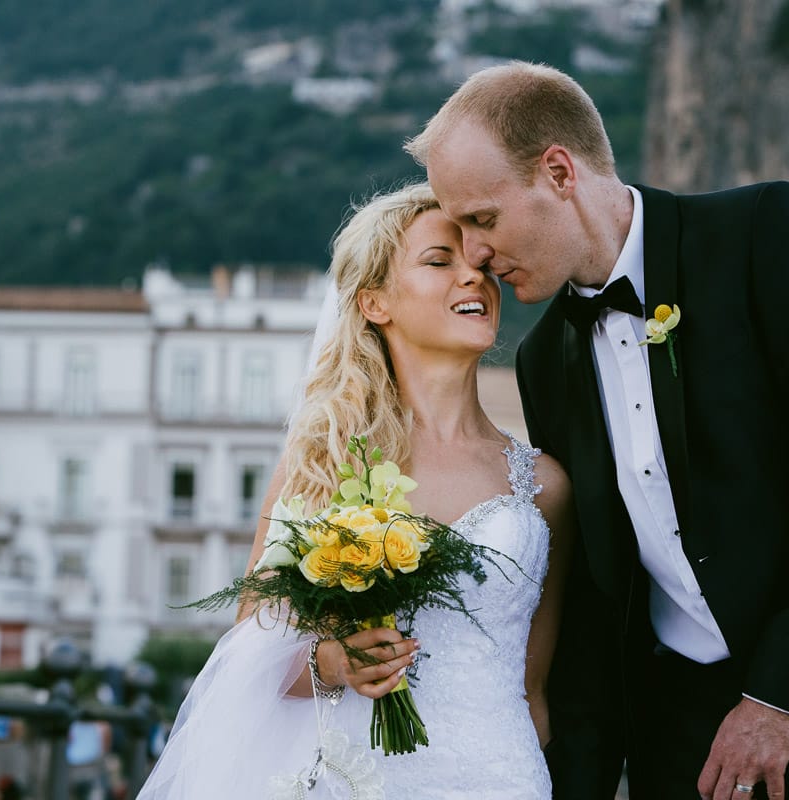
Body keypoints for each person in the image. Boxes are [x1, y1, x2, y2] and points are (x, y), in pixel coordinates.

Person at [406, 61, 789, 800]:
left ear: (558, 172)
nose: (475, 255)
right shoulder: (544, 359)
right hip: (689, 750)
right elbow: (599, 597)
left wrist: (777, 700)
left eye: (483, 220)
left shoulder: (763, 233)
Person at [137, 182, 574, 799]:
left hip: (502, 779)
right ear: (374, 302)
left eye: (481, 263)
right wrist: (332, 662)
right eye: (439, 261)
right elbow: (251, 654)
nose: (473, 277)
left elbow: (534, 692)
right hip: (360, 779)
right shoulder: (326, 461)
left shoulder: (545, 485)